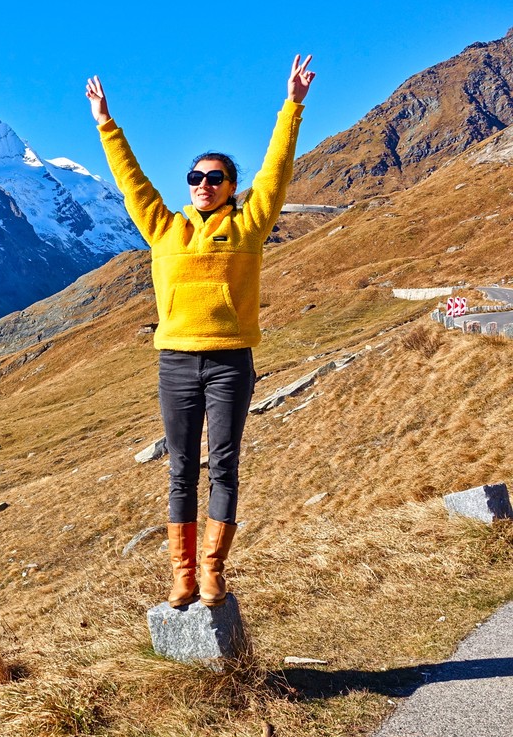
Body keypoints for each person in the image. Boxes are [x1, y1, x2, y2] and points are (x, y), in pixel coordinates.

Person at [86, 56, 315, 607]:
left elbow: (276, 171)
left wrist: (293, 106)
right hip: (177, 363)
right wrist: (105, 124)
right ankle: (182, 574)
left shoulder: (249, 224)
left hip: (231, 359)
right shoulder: (163, 228)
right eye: (196, 178)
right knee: (182, 469)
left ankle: (213, 570)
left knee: (225, 465)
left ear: (232, 187)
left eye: (215, 178)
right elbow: (132, 183)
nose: (204, 185)